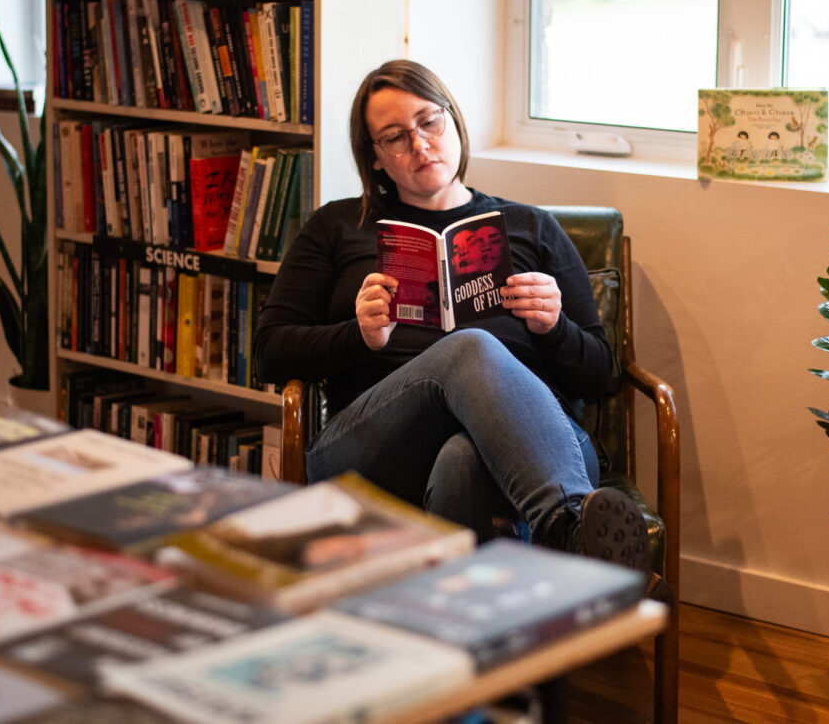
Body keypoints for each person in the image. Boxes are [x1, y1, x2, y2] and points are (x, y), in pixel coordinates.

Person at [253, 59, 649, 571]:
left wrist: (554, 329)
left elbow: (601, 372)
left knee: (462, 461)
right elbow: (269, 352)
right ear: (374, 158)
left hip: (531, 448)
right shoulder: (337, 226)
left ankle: (484, 636)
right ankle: (565, 527)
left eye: (428, 122)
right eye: (394, 137)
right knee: (471, 347)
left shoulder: (532, 227)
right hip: (373, 445)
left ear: (452, 120)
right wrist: (359, 336)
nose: (419, 145)